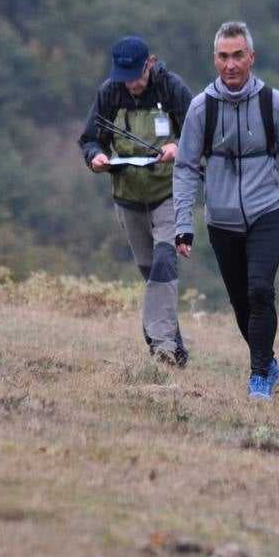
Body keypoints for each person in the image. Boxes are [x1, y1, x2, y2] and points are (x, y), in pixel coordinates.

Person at [172, 21, 279, 400]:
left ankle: (258, 377)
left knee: (261, 290)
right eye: (223, 56)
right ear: (214, 59)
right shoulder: (201, 108)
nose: (231, 64)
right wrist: (183, 224)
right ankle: (268, 361)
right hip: (221, 219)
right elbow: (185, 167)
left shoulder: (274, 103)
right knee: (240, 300)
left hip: (267, 211)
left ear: (251, 57)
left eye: (238, 55)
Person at [78, 36, 192, 367]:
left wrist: (178, 147)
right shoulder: (109, 93)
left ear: (150, 63)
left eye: (137, 76)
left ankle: (162, 348)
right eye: (125, 77)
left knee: (164, 263)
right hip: (127, 195)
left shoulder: (172, 89)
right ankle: (175, 345)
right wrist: (96, 157)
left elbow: (201, 134)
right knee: (151, 275)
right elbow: (89, 139)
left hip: (168, 192)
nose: (132, 84)